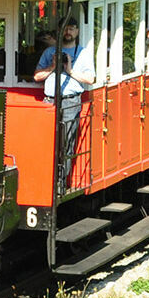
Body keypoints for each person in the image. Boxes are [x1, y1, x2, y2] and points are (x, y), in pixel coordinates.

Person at [31, 17, 95, 186]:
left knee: (66, 142)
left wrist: (70, 70)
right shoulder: (49, 52)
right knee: (46, 141)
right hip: (49, 100)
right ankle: (45, 179)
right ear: (59, 31)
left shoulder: (83, 53)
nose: (68, 32)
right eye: (65, 28)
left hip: (70, 102)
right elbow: (37, 76)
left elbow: (90, 79)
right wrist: (52, 67)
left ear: (77, 32)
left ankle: (60, 182)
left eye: (72, 28)